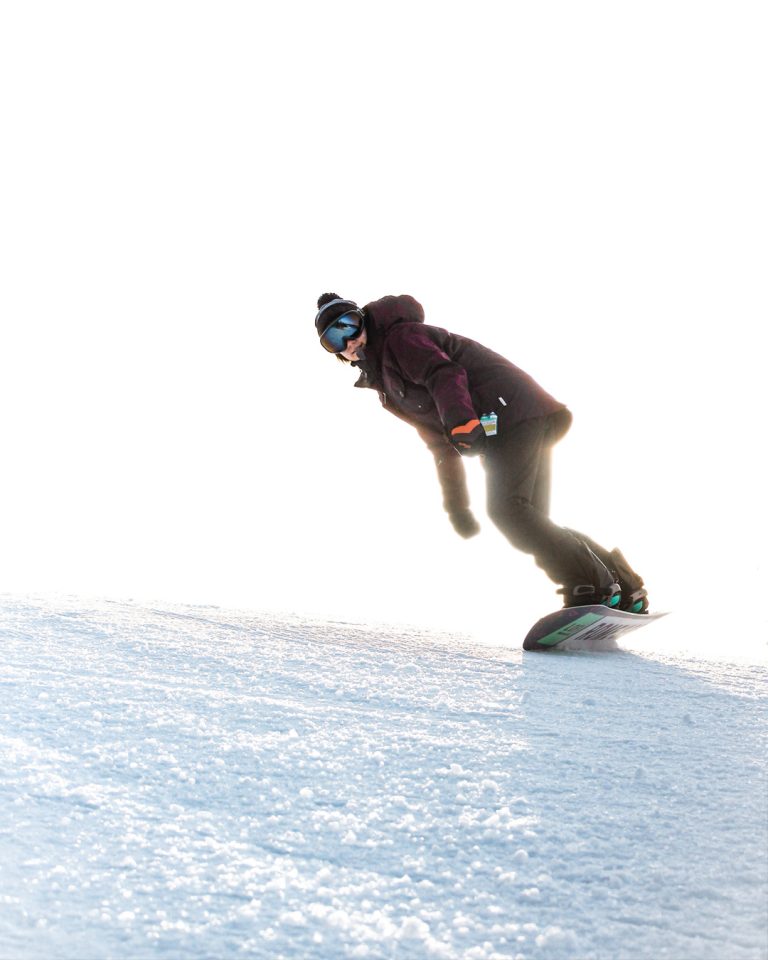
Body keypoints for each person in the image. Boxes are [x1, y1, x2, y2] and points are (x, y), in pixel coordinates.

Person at [314, 292, 648, 613]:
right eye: (334, 339)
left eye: (349, 325)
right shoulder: (387, 390)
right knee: (530, 520)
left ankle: (591, 586)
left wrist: (462, 422)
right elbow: (438, 444)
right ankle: (622, 583)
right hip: (517, 419)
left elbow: (444, 374)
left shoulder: (399, 340)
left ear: (363, 321)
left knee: (509, 512)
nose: (349, 342)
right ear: (334, 353)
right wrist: (457, 505)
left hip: (510, 415)